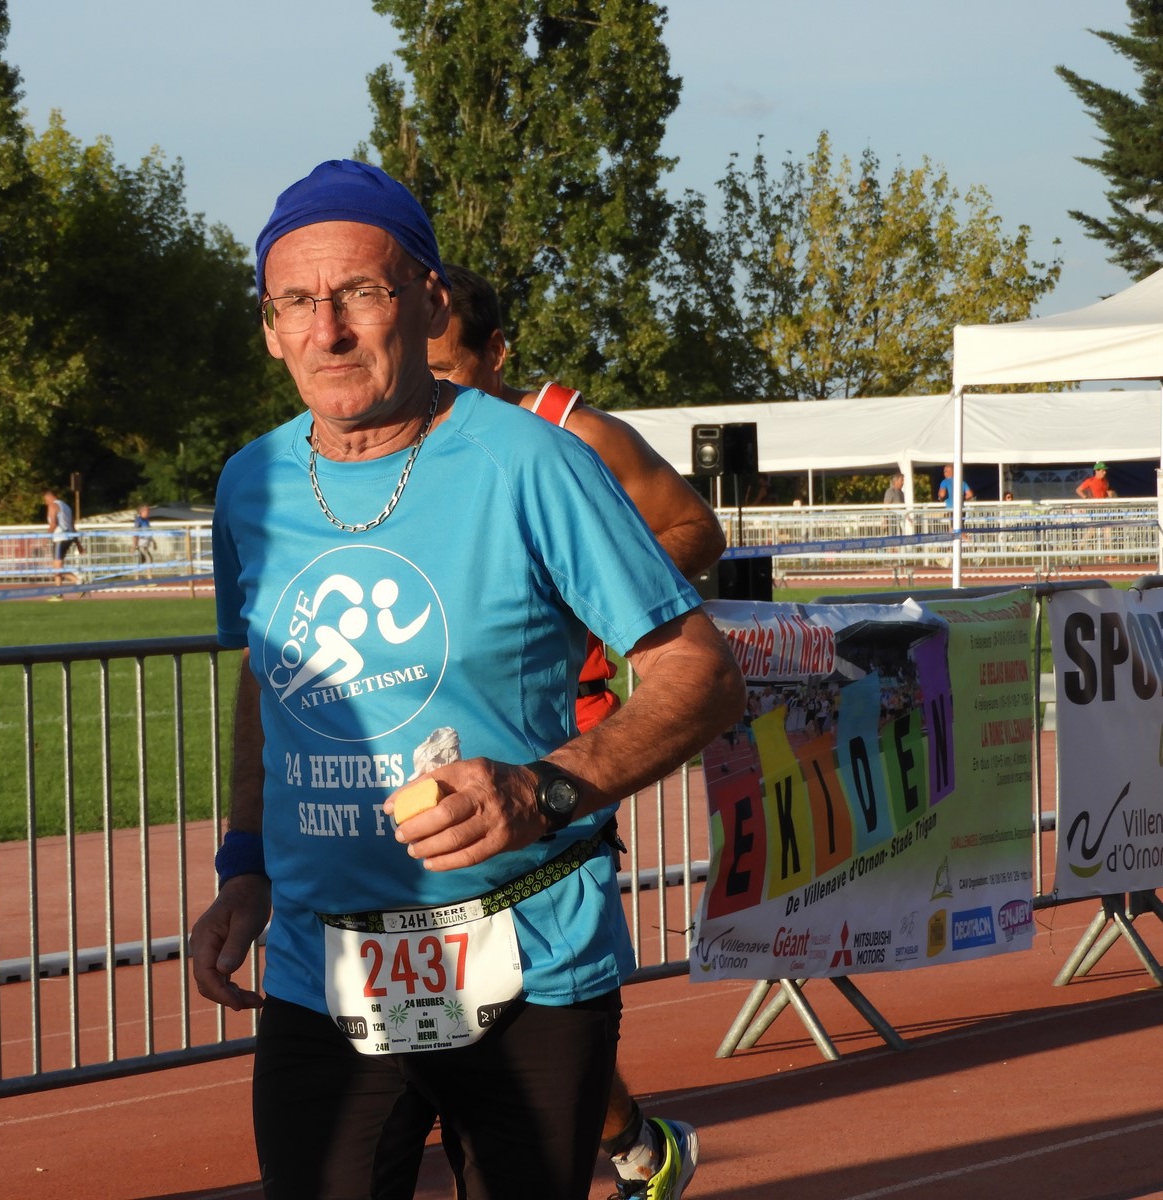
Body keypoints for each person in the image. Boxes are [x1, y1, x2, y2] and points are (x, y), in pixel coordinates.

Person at [190, 160, 745, 1200]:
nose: (327, 330)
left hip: (525, 954)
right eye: (296, 302)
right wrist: (246, 865)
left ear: (429, 300)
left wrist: (545, 790)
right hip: (322, 970)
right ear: (269, 328)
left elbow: (700, 674)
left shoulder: (533, 462)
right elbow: (270, 679)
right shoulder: (249, 483)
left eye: (359, 293)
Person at [425, 262, 724, 1196]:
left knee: (531, 973)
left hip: (561, 734)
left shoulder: (569, 431)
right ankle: (634, 1140)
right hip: (446, 735)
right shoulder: (401, 448)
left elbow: (695, 529)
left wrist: (588, 584)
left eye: (444, 370)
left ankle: (618, 1141)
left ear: (496, 353)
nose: (424, 389)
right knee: (456, 974)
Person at [44, 488, 82, 585]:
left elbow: (53, 524)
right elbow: (72, 526)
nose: (46, 503)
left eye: (46, 500)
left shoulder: (53, 506)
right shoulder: (67, 507)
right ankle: (59, 590)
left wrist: (45, 537)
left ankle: (77, 581)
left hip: (60, 538)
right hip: (68, 537)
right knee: (57, 566)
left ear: (50, 497)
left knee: (57, 567)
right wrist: (78, 544)